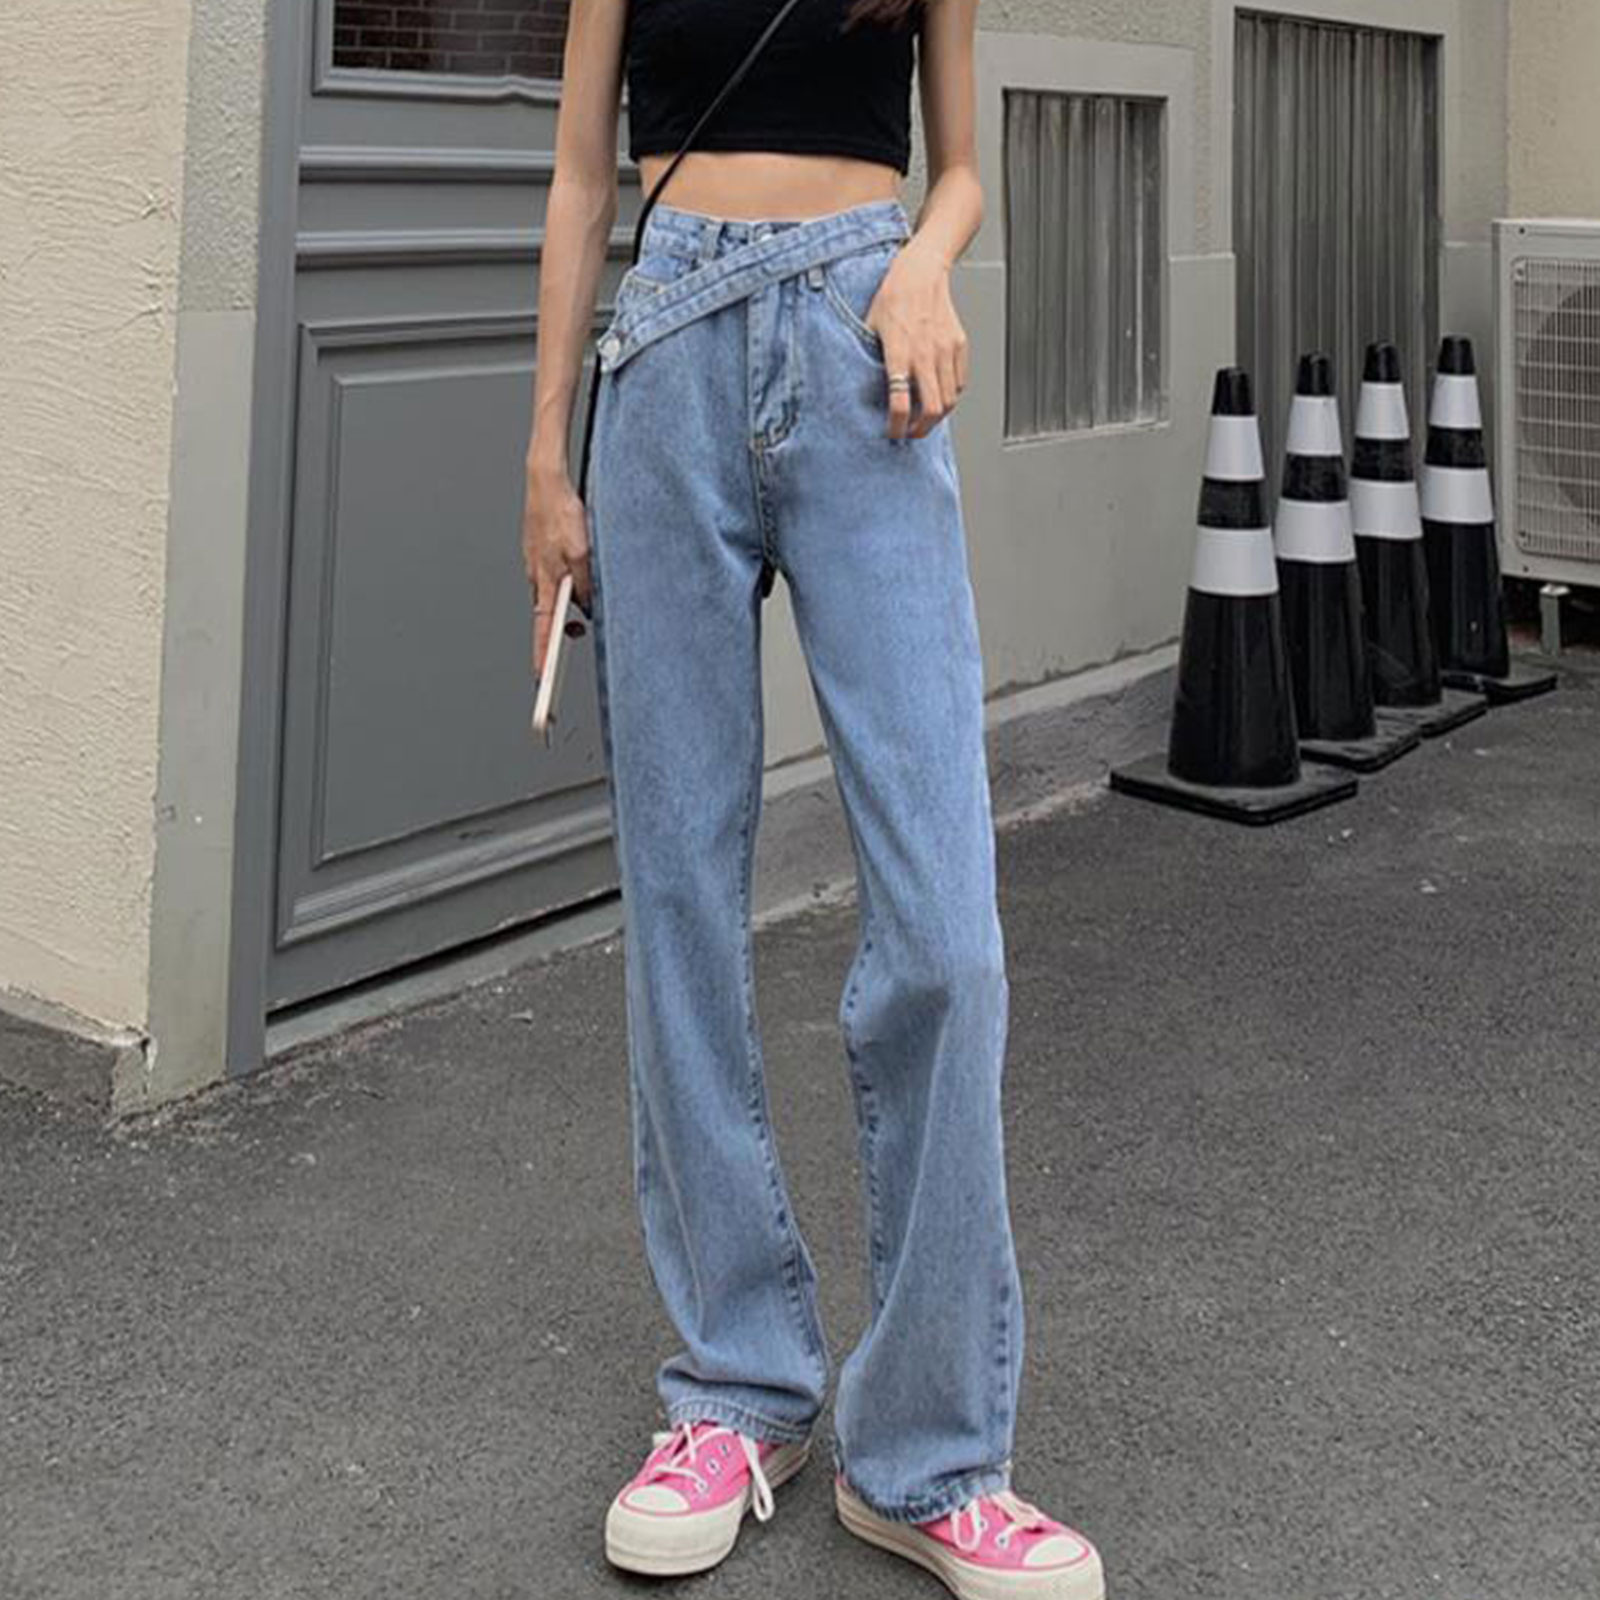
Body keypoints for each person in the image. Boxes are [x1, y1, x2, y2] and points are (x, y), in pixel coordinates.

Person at [522, 3, 1104, 1596]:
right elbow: (580, 176)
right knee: (679, 903)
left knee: (945, 929)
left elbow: (961, 167)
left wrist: (924, 261)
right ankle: (737, 1386)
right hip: (664, 363)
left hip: (865, 348)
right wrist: (546, 464)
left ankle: (929, 1454)